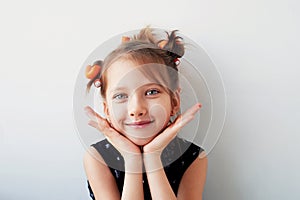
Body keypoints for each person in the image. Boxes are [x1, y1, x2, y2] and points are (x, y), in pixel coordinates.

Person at [83, 26, 207, 200]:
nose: (136, 109)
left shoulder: (193, 157)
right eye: (120, 96)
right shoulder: (98, 158)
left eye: (151, 92)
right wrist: (133, 160)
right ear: (107, 110)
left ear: (174, 102)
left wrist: (152, 157)